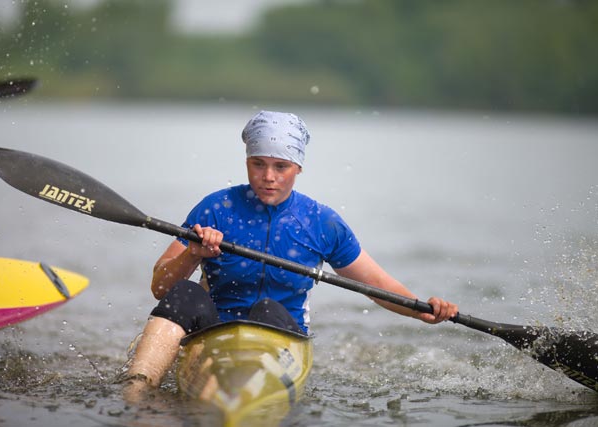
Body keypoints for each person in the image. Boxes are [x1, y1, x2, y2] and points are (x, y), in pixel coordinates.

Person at [123, 110, 458, 393]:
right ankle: (136, 395)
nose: (268, 177)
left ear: (298, 168)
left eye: (280, 166)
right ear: (246, 162)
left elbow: (378, 285)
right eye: (258, 164)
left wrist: (422, 310)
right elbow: (161, 287)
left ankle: (253, 392)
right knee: (184, 293)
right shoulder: (216, 208)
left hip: (281, 338)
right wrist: (193, 253)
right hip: (213, 334)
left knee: (267, 309)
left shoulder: (321, 222)